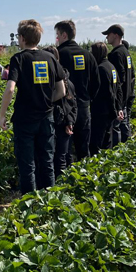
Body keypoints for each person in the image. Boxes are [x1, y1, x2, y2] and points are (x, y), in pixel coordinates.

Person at [0, 19, 66, 194]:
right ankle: (49, 201)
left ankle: (29, 205)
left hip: (25, 119)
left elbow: (10, 89)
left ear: (21, 38)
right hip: (46, 117)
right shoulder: (50, 57)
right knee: (47, 161)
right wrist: (47, 102)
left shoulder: (18, 59)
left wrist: (2, 115)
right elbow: (62, 90)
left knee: (27, 164)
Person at [55, 20, 100, 161]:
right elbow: (96, 82)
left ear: (64, 35)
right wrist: (87, 98)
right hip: (83, 107)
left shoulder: (59, 55)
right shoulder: (88, 55)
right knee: (83, 146)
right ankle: (84, 177)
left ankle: (67, 178)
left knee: (65, 149)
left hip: (65, 109)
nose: (56, 39)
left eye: (57, 35)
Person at [42, 46, 77, 179]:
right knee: (63, 155)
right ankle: (64, 183)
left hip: (57, 122)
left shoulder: (56, 81)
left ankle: (57, 187)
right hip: (65, 122)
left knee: (56, 157)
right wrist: (71, 121)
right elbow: (73, 104)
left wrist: (68, 121)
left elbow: (66, 103)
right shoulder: (67, 79)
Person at [90, 42, 123, 155]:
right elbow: (118, 88)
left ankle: (96, 165)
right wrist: (118, 108)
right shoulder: (111, 67)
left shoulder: (101, 69)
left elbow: (108, 92)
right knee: (107, 141)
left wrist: (114, 111)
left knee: (97, 143)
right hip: (109, 111)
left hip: (102, 111)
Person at [104, 24, 134, 144]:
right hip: (127, 94)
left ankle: (118, 152)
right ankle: (128, 149)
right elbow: (131, 75)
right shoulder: (125, 52)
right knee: (124, 124)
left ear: (116, 35)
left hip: (120, 97)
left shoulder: (115, 54)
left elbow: (118, 79)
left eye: (109, 34)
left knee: (116, 126)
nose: (107, 37)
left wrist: (116, 101)